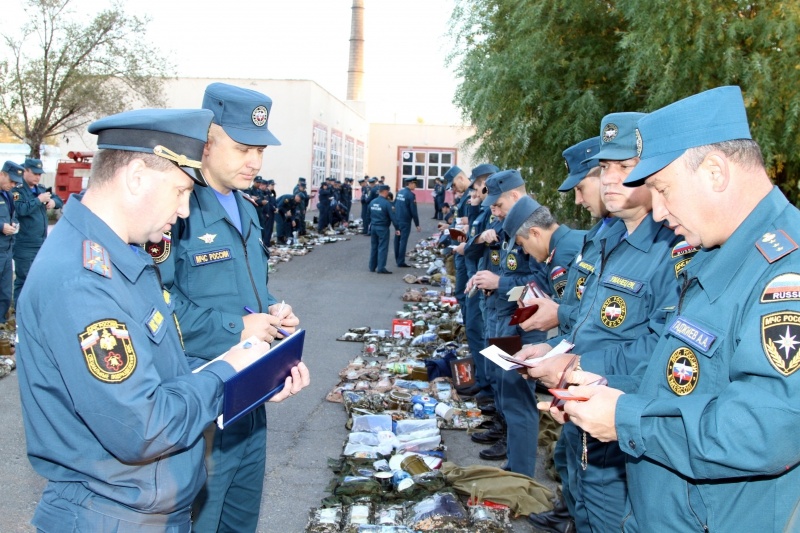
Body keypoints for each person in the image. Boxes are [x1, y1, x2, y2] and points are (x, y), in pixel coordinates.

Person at [15, 108, 309, 532]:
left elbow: (162, 376)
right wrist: (228, 373)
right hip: (109, 516)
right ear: (136, 176)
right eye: (179, 191)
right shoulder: (83, 281)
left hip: (142, 509)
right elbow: (144, 427)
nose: (186, 210)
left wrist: (249, 377)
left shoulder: (124, 256)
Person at [557, 86, 800, 533]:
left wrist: (626, 418)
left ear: (715, 172)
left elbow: (766, 430)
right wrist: (608, 391)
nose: (659, 210)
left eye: (663, 190)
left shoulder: (786, 273)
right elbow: (683, 379)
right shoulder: (715, 253)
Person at [519, 112, 696, 533]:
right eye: (604, 169)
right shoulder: (606, 237)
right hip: (580, 412)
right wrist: (555, 349)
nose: (609, 180)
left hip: (621, 427)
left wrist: (573, 365)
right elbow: (587, 322)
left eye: (625, 167)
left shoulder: (675, 247)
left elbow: (667, 351)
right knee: (580, 511)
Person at [156, 83, 304, 533]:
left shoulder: (248, 208)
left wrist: (274, 316)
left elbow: (245, 292)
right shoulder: (176, 208)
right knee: (200, 521)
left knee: (241, 523)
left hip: (250, 396)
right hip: (202, 402)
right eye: (242, 148)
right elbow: (156, 309)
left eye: (259, 149)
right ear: (207, 141)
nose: (255, 162)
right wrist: (239, 326)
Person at [13, 157, 63, 301]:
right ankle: (19, 312)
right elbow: (20, 209)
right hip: (24, 243)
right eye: (34, 173)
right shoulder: (18, 190)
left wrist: (53, 202)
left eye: (39, 174)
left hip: (40, 242)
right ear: (25, 171)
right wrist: (38, 200)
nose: (37, 176)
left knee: (38, 279)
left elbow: (59, 199)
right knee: (23, 280)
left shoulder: (40, 189)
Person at [0, 162, 21, 323]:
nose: (13, 185)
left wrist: (13, 224)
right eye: (11, 181)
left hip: (7, 250)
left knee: (5, 293)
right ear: (2, 174)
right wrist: (1, 227)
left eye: (15, 183)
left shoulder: (8, 194)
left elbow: (11, 215)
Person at [368, 184, 398, 274]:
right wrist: (397, 228)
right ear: (385, 192)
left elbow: (367, 215)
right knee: (383, 247)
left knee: (374, 247)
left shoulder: (372, 202)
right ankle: (381, 268)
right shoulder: (387, 203)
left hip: (373, 227)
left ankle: (372, 267)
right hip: (383, 228)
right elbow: (393, 217)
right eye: (388, 191)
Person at [393, 176, 420, 267]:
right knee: (403, 241)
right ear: (411, 183)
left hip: (397, 221)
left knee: (397, 240)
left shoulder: (399, 192)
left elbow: (394, 205)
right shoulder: (411, 195)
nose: (415, 186)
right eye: (415, 184)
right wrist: (417, 224)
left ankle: (397, 259)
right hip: (405, 221)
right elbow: (414, 211)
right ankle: (400, 262)